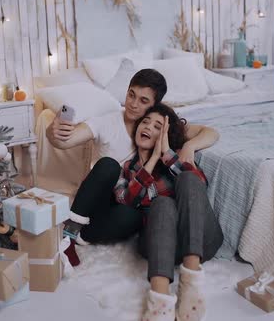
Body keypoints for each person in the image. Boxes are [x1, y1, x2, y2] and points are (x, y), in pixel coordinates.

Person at [46, 69, 219, 244]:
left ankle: (85, 236)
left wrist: (189, 146)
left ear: (154, 105)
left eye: (143, 100)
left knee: (134, 216)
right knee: (109, 165)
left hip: (127, 199)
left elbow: (210, 132)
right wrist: (53, 131)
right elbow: (64, 142)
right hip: (99, 198)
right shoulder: (107, 122)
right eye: (131, 95)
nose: (133, 104)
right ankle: (70, 233)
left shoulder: (156, 125)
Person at [114, 104, 223, 321]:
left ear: (165, 135)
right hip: (159, 246)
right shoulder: (126, 169)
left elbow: (199, 185)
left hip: (200, 241)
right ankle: (159, 303)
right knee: (162, 203)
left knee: (189, 177)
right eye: (145, 122)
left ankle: (191, 283)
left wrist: (166, 154)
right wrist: (152, 159)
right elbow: (126, 201)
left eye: (157, 126)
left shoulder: (174, 159)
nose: (147, 127)